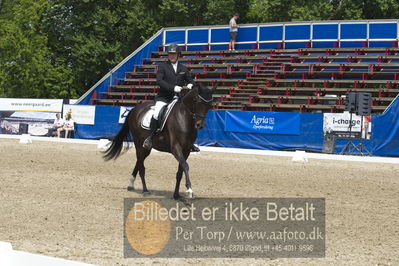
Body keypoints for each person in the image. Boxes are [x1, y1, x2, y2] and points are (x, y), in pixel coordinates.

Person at [142, 43, 199, 151]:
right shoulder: (163, 66)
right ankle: (150, 137)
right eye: (170, 54)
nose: (172, 56)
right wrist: (173, 88)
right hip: (164, 98)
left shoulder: (183, 68)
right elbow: (159, 81)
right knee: (156, 114)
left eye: (174, 54)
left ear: (178, 55)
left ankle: (190, 142)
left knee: (190, 115)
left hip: (178, 99)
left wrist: (191, 84)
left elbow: (190, 80)